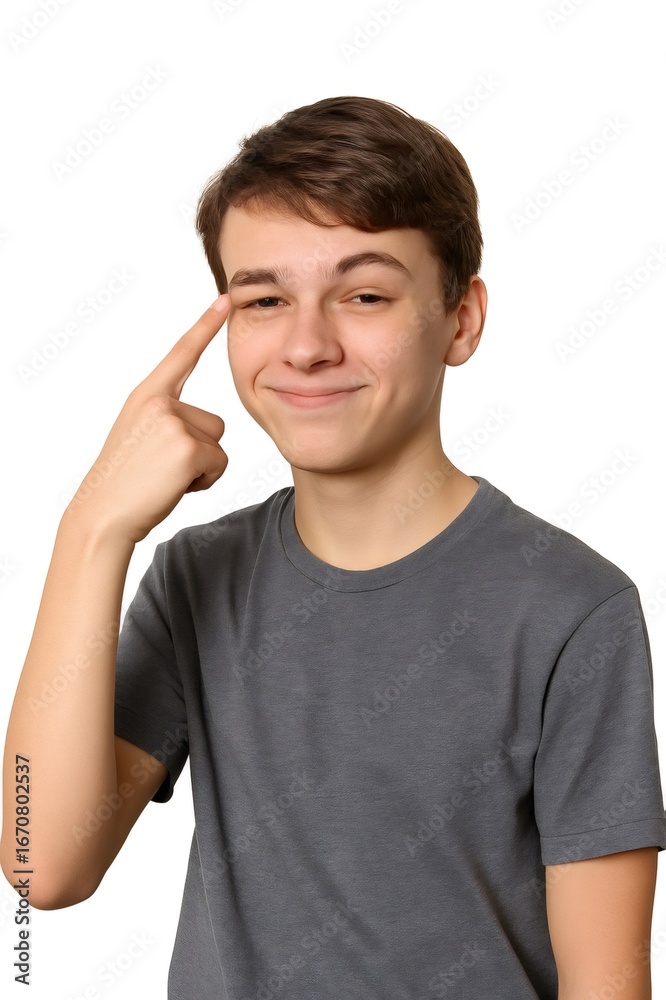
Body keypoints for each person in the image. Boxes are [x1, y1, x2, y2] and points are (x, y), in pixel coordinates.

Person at [2, 95, 664, 999]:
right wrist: (91, 531)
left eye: (365, 296)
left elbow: (607, 982)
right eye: (265, 299)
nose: (307, 345)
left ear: (461, 318)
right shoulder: (196, 578)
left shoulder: (571, 608)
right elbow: (40, 864)